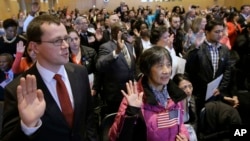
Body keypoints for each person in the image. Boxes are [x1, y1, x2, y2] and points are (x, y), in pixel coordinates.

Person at [0, 15, 98, 141]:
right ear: (35, 47)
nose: (65, 45)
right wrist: (27, 126)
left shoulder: (80, 72)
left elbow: (88, 116)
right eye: (57, 41)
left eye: (65, 39)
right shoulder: (17, 89)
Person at [109, 46, 189, 141]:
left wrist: (185, 136)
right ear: (147, 70)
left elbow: (180, 124)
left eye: (168, 65)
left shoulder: (175, 94)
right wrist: (131, 112)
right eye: (160, 66)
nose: (166, 71)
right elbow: (114, 136)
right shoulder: (135, 96)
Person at [185, 20, 239, 114]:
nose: (220, 34)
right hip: (199, 93)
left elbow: (227, 70)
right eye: (216, 32)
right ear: (207, 32)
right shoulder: (199, 47)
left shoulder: (224, 49)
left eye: (221, 31)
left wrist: (220, 88)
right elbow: (189, 68)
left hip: (217, 92)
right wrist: (195, 48)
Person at [96, 21, 136, 118]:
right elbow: (99, 65)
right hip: (115, 95)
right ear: (114, 33)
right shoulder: (105, 47)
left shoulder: (129, 45)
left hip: (129, 92)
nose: (126, 32)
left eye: (126, 30)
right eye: (122, 30)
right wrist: (117, 51)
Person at [173, 73, 198, 141]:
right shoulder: (172, 107)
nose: (189, 91)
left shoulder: (192, 100)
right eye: (184, 87)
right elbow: (172, 128)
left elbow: (194, 122)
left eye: (190, 86)